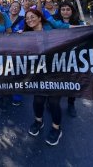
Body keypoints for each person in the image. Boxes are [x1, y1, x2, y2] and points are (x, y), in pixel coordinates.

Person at [24, 9, 63, 146]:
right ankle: (38, 121)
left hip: (55, 72)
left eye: (32, 17)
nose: (29, 20)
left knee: (53, 102)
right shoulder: (25, 35)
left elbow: (71, 32)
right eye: (27, 18)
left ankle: (56, 128)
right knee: (38, 100)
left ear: (40, 18)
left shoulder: (53, 31)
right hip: (37, 74)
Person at [53, 1, 86, 117]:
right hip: (58, 57)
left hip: (74, 57)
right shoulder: (54, 22)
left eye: (68, 9)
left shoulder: (80, 23)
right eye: (63, 9)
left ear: (72, 11)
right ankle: (54, 102)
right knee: (58, 80)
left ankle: (71, 104)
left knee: (73, 81)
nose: (65, 11)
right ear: (59, 11)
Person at [8, 1, 25, 106]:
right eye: (13, 6)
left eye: (17, 7)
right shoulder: (3, 18)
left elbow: (28, 32)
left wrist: (23, 33)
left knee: (17, 73)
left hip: (17, 50)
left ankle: (17, 96)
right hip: (3, 49)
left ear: (20, 10)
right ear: (10, 8)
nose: (14, 8)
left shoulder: (23, 20)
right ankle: (4, 93)